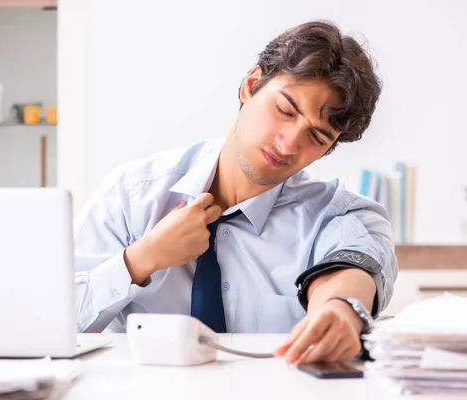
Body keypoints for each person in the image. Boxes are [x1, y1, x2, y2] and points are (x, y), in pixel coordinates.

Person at [74, 20, 398, 365]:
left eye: (316, 138)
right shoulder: (132, 194)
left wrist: (340, 308)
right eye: (285, 110)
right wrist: (139, 260)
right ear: (251, 85)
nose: (288, 144)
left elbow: (354, 261)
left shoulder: (336, 215)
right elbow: (53, 324)